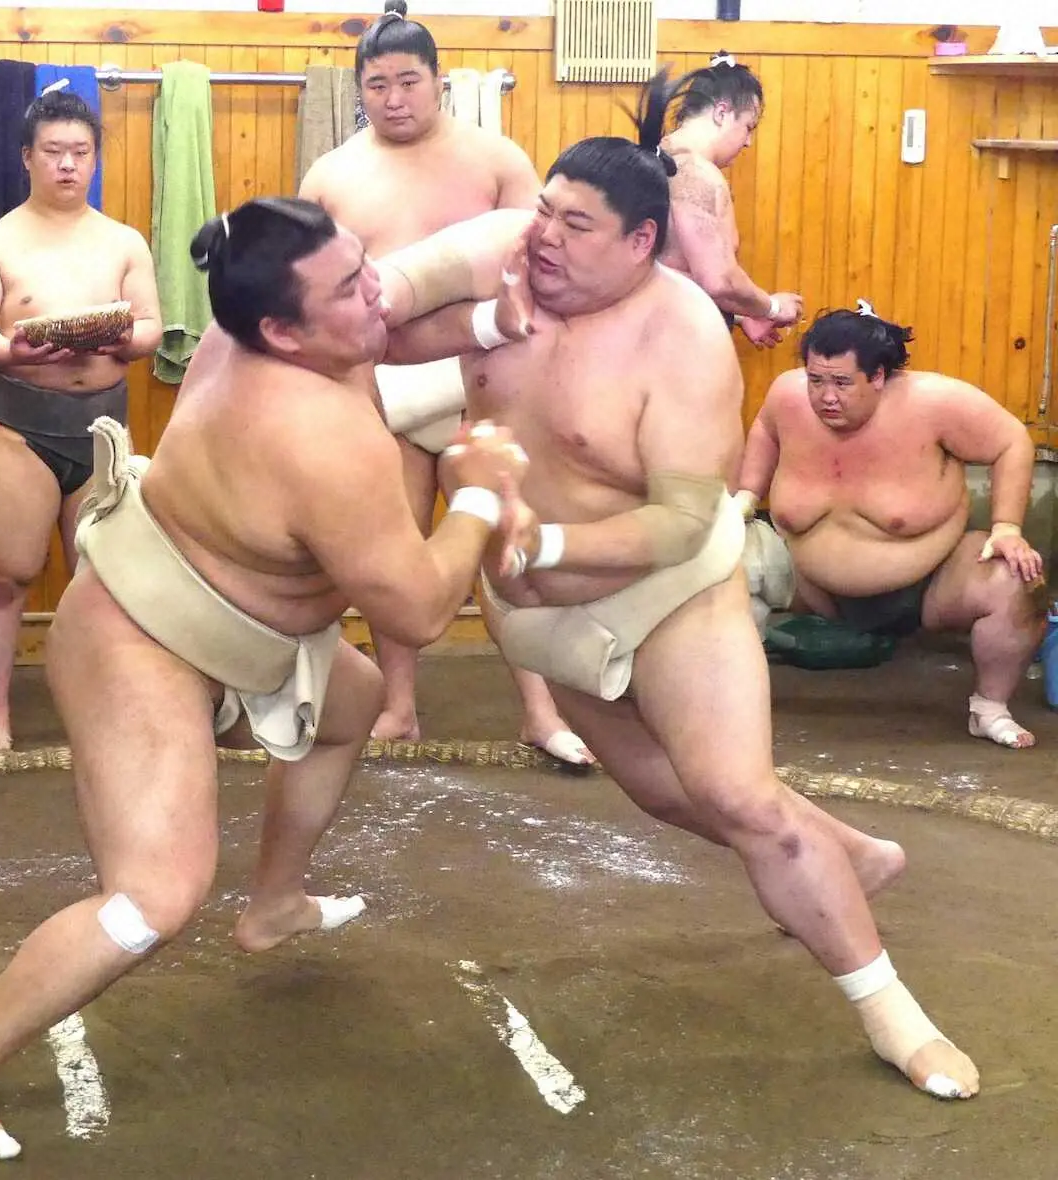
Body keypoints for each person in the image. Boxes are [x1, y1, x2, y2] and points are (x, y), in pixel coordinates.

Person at [0, 196, 534, 1163]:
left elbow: (407, 311)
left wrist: (501, 309)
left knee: (347, 707)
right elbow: (418, 612)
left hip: (244, 631)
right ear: (284, 328)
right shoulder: (321, 436)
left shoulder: (272, 330)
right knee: (153, 896)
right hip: (139, 639)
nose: (378, 293)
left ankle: (275, 902)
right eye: (350, 288)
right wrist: (480, 485)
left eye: (365, 265)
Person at [409, 81, 979, 1102]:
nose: (545, 235)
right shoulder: (501, 255)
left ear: (639, 243)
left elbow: (676, 521)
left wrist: (537, 541)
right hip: (538, 610)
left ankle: (892, 1011)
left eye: (575, 225)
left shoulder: (682, 340)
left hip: (663, 589)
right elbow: (371, 314)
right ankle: (855, 852)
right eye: (544, 208)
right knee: (664, 792)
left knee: (738, 796)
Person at [299, 0, 593, 766]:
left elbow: (541, 267)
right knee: (395, 552)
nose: (394, 100)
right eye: (377, 86)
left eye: (408, 82)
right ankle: (398, 708)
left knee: (503, 548)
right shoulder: (332, 175)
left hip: (481, 374)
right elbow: (311, 289)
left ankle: (539, 708)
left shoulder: (495, 159)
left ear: (439, 82)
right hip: (379, 381)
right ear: (358, 89)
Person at [0, 88, 161, 755]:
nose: (68, 165)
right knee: (7, 573)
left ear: (94, 158)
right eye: (54, 152)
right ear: (27, 158)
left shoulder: (123, 241)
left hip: (103, 427)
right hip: (20, 423)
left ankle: (102, 712)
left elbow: (152, 325)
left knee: (99, 578)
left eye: (80, 152)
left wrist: (124, 342)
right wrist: (11, 348)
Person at [737, 304, 1046, 749]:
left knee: (1017, 579)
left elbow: (1011, 441)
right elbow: (765, 429)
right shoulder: (787, 397)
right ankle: (720, 702)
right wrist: (747, 495)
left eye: (842, 383)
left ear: (878, 376)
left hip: (929, 586)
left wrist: (1007, 527)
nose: (826, 396)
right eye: (816, 379)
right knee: (714, 564)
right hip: (806, 581)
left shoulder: (935, 402)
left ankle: (989, 708)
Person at [653, 54, 803, 349]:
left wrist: (740, 313)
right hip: (674, 345)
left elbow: (668, 271)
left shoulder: (651, 157)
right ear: (722, 112)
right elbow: (718, 280)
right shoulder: (696, 174)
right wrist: (771, 307)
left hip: (654, 334)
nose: (748, 142)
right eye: (749, 126)